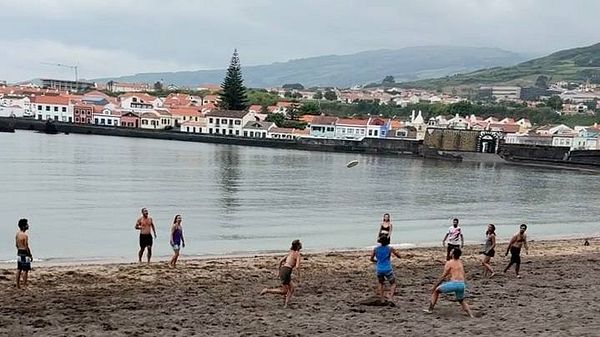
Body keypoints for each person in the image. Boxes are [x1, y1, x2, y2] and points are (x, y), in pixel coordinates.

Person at [424, 248, 474, 318]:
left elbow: (443, 277)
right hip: (462, 284)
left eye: (451, 251)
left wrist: (434, 286)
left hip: (455, 284)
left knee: (436, 291)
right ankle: (471, 315)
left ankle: (430, 309)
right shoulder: (460, 262)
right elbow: (460, 272)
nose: (450, 252)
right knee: (461, 300)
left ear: (453, 254)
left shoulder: (449, 262)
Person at [260, 239, 302, 308]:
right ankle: (267, 290)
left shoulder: (290, 252)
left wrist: (279, 271)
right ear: (298, 246)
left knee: (292, 288)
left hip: (284, 269)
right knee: (284, 291)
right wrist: (299, 276)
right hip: (287, 271)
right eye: (300, 244)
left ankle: (286, 304)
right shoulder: (297, 254)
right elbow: (297, 266)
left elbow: (281, 261)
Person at [370, 235, 401, 302]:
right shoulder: (389, 248)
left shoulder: (376, 249)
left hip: (379, 269)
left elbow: (371, 259)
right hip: (388, 268)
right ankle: (390, 298)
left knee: (381, 283)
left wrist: (377, 261)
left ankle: (382, 299)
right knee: (393, 283)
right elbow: (399, 256)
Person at [15, 218, 33, 289]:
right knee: (25, 270)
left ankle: (17, 285)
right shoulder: (25, 235)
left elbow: (16, 245)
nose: (28, 226)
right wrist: (30, 254)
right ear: (23, 226)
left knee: (19, 269)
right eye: (26, 224)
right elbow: (26, 246)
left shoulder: (17, 234)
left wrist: (19, 250)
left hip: (19, 252)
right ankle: (24, 285)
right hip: (25, 253)